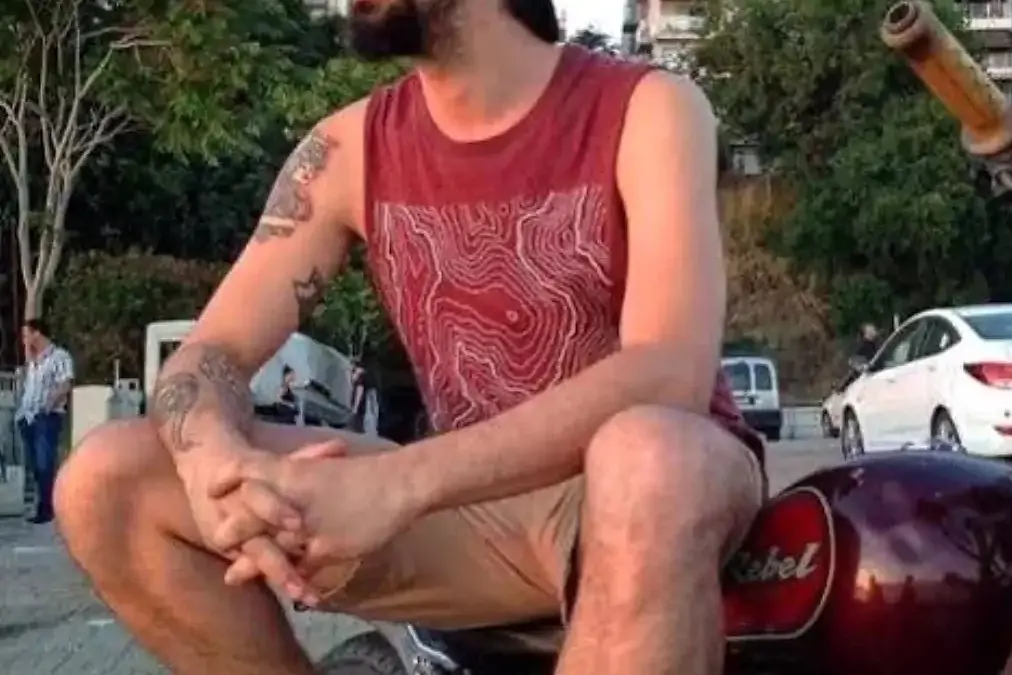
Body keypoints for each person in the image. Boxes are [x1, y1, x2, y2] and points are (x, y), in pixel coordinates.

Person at [53, 2, 763, 674]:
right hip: (472, 513)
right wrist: (211, 461)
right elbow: (210, 354)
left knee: (645, 458)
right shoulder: (344, 150)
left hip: (656, 484)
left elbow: (669, 371)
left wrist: (399, 483)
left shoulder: (648, 107)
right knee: (106, 479)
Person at [16, 318, 74, 525]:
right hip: (28, 417)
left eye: (26, 335)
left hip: (46, 417)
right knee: (35, 465)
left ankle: (47, 508)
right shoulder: (34, 360)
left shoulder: (59, 357)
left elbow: (65, 384)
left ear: (37, 333)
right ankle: (41, 503)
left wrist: (48, 406)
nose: (24, 339)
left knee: (45, 463)